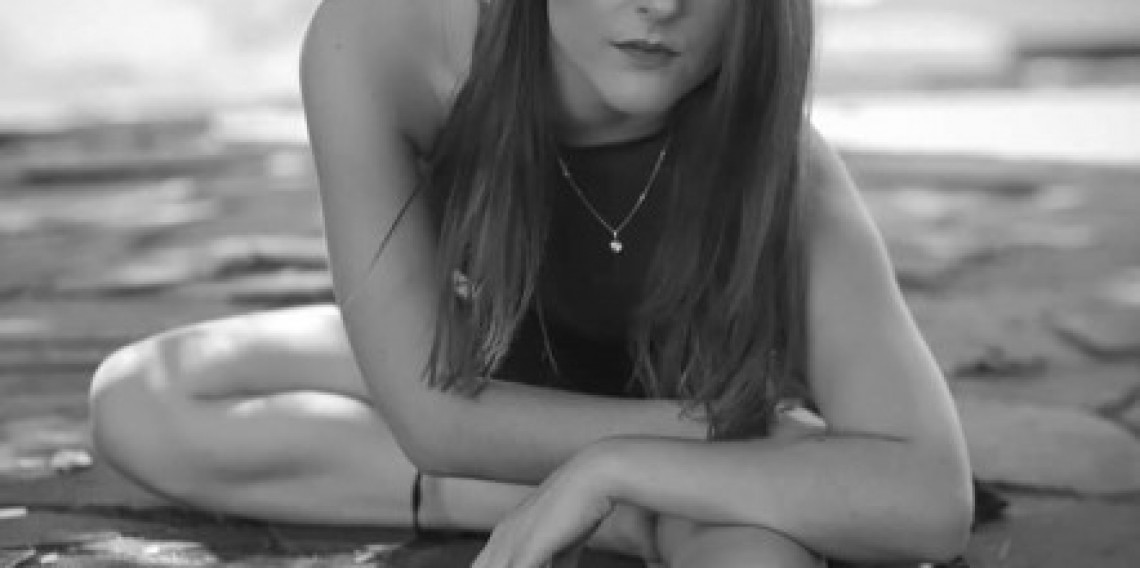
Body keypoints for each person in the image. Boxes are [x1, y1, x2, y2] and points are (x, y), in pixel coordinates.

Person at [87, 0, 975, 566]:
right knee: (138, 401)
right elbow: (430, 415)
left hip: (696, 429)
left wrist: (621, 465)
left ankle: (622, 505)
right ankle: (594, 514)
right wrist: (733, 439)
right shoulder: (383, 39)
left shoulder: (786, 172)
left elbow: (933, 498)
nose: (660, 3)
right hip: (505, 375)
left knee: (755, 559)